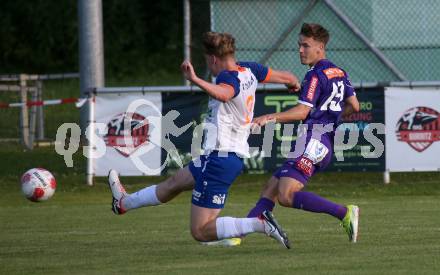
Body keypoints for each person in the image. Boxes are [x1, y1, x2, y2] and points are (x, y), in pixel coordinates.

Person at [108, 31, 301, 249]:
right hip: (220, 157)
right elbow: (288, 77)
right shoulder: (249, 69)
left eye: (207, 61)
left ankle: (259, 224)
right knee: (174, 184)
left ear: (213, 58)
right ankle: (124, 203)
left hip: (220, 157)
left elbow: (224, 93)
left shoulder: (226, 78)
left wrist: (195, 79)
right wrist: (294, 84)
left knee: (200, 231)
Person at [247, 23, 361, 243]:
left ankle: (344, 213)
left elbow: (301, 112)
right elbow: (354, 106)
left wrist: (268, 118)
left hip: (312, 141)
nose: (300, 50)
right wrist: (330, 119)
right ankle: (238, 233)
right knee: (271, 186)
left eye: (305, 45)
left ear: (320, 47)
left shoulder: (315, 74)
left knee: (286, 195)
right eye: (299, 45)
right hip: (322, 141)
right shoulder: (339, 72)